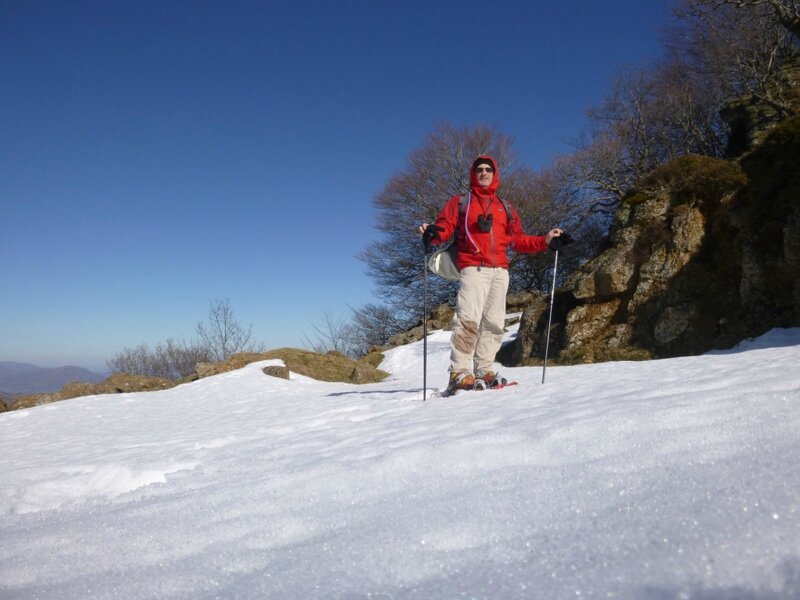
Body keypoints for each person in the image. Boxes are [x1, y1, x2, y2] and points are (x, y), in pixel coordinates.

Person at [419, 155, 564, 393]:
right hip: (473, 268)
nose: (484, 173)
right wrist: (432, 233)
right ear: (473, 175)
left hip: (500, 271)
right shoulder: (460, 202)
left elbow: (518, 240)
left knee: (495, 323)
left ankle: (484, 368)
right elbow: (444, 226)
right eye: (479, 170)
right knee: (468, 321)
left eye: (488, 169)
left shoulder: (505, 207)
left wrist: (546, 240)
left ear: (495, 174)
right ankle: (459, 372)